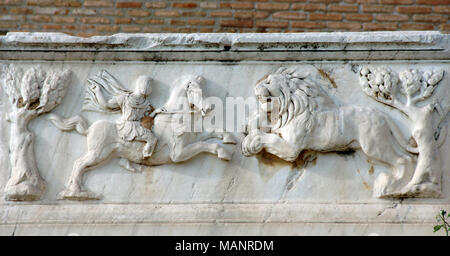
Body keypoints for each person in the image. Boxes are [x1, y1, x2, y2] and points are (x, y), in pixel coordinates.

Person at [92, 75, 158, 158]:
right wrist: (98, 91)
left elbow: (148, 117)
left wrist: (156, 112)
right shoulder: (125, 98)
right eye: (149, 85)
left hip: (138, 126)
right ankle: (146, 155)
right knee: (152, 139)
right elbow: (106, 104)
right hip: (127, 126)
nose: (150, 88)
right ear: (142, 85)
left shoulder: (146, 103)